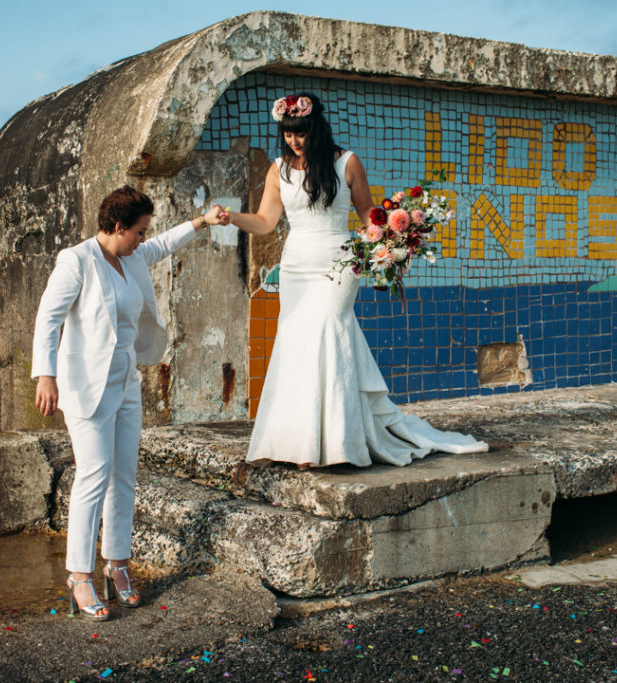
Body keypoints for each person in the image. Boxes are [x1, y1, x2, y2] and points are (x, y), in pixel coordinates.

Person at [224, 93, 487, 469]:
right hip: (296, 266)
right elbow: (265, 222)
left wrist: (396, 239)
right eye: (286, 134)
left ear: (316, 127)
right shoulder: (278, 169)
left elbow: (368, 215)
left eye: (300, 133)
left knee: (330, 331)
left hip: (341, 262)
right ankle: (298, 445)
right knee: (297, 343)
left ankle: (334, 444)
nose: (294, 141)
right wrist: (231, 217)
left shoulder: (347, 162)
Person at [32, 186, 226, 620]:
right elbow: (48, 318)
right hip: (86, 383)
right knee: (93, 475)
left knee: (124, 476)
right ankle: (79, 575)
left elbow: (162, 245)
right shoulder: (77, 260)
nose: (143, 238)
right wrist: (45, 374)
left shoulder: (133, 255)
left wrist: (201, 222)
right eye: (138, 231)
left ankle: (116, 564)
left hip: (125, 380)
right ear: (118, 227)